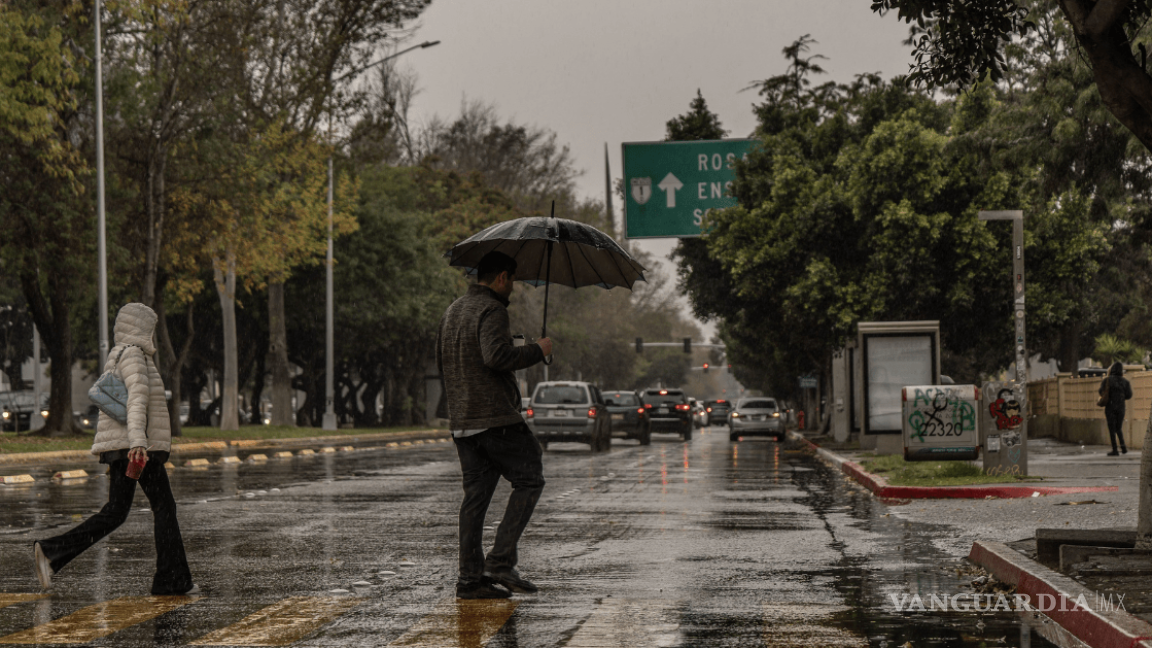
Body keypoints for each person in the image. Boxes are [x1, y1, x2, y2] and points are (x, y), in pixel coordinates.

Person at [33, 303, 196, 595]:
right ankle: (171, 581)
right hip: (134, 448)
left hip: (124, 448)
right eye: (151, 327)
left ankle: (51, 552)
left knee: (116, 512)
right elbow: (135, 401)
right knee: (164, 508)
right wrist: (138, 442)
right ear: (142, 327)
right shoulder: (135, 355)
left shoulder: (120, 353)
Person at [436, 251, 552, 599]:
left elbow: (446, 360)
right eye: (512, 280)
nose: (512, 288)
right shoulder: (493, 310)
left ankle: (469, 582)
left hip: (463, 422)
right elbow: (496, 357)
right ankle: (500, 561)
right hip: (495, 418)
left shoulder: (453, 310)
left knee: (474, 500)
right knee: (530, 476)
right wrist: (537, 349)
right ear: (502, 277)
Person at [1099, 361, 1133, 456]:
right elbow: (1129, 395)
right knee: (1118, 428)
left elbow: (1101, 391)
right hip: (1121, 407)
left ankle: (1115, 449)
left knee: (1111, 428)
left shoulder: (1107, 380)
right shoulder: (1125, 381)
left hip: (1110, 406)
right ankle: (1123, 447)